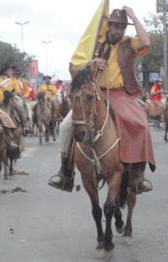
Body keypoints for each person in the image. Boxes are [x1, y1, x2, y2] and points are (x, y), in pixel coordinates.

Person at [49, 7, 154, 194]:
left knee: (141, 125)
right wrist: (91, 64)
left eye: (122, 27)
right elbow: (74, 67)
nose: (119, 30)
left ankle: (137, 173)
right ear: (109, 26)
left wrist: (133, 16)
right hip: (94, 92)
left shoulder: (130, 44)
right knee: (65, 126)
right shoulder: (94, 45)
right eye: (115, 26)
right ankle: (65, 172)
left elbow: (146, 41)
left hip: (121, 94)